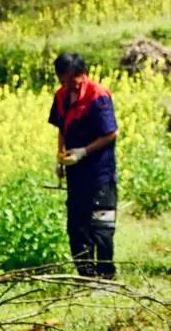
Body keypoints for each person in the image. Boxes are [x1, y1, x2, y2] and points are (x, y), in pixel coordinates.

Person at [48, 52, 119, 280]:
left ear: (83, 75)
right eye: (63, 82)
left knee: (102, 226)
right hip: (75, 173)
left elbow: (111, 133)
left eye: (72, 82)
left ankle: (105, 275)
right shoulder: (60, 96)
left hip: (100, 171)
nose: (69, 87)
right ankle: (86, 277)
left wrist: (84, 151)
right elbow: (61, 127)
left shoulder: (98, 96)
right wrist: (60, 157)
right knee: (77, 226)